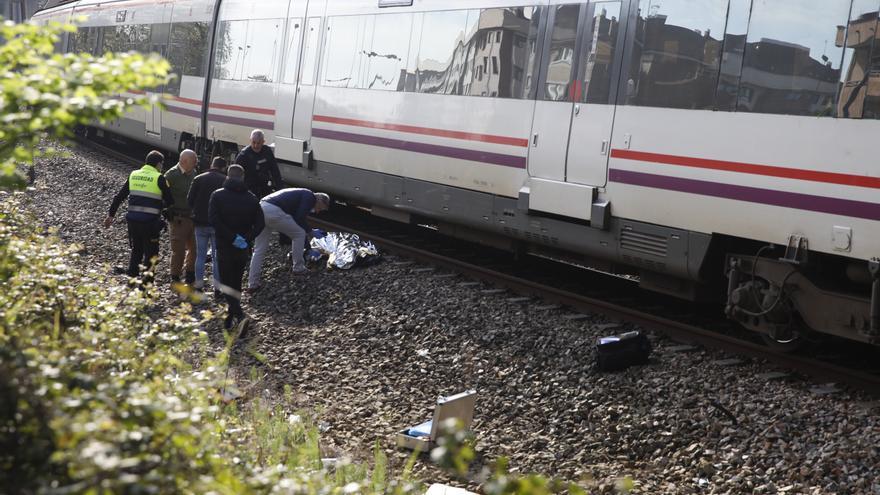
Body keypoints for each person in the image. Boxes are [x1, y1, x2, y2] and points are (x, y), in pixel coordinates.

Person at [103, 150, 174, 285]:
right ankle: (146, 285)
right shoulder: (159, 178)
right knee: (151, 254)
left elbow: (119, 197)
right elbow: (170, 201)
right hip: (150, 223)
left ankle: (132, 280)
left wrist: (111, 215)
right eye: (162, 164)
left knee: (136, 250)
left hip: (133, 222)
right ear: (158, 164)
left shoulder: (134, 175)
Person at [208, 165, 264, 330]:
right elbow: (260, 224)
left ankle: (239, 315)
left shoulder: (217, 196)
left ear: (227, 176)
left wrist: (231, 237)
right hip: (242, 248)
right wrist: (246, 238)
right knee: (237, 282)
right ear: (243, 177)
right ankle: (229, 316)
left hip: (224, 246)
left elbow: (214, 220)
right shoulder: (252, 198)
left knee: (226, 283)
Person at [247, 188, 330, 290]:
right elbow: (299, 219)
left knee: (259, 249)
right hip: (273, 210)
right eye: (320, 208)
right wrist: (311, 232)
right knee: (299, 234)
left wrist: (308, 245)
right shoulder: (310, 197)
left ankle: (252, 283)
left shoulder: (301, 194)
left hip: (261, 208)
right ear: (320, 201)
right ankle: (298, 268)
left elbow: (298, 220)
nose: (318, 211)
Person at [188, 156, 228, 296]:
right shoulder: (225, 180)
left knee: (200, 255)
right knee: (217, 257)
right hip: (217, 225)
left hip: (200, 223)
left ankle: (198, 286)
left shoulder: (198, 178)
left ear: (212, 164)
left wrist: (197, 212)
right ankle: (217, 289)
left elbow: (189, 200)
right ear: (224, 167)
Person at [164, 149, 199, 285]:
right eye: (194, 161)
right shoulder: (171, 175)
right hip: (178, 218)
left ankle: (190, 274)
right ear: (184, 161)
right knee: (178, 250)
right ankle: (175, 276)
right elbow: (162, 193)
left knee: (194, 248)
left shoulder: (194, 173)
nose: (196, 163)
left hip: (192, 217)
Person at [235, 129, 282, 199]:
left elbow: (275, 171)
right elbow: (236, 174)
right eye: (253, 142)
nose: (256, 145)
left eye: (258, 143)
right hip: (249, 189)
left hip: (265, 187)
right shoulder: (243, 155)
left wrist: (280, 190)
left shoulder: (267, 152)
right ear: (250, 141)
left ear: (263, 142)